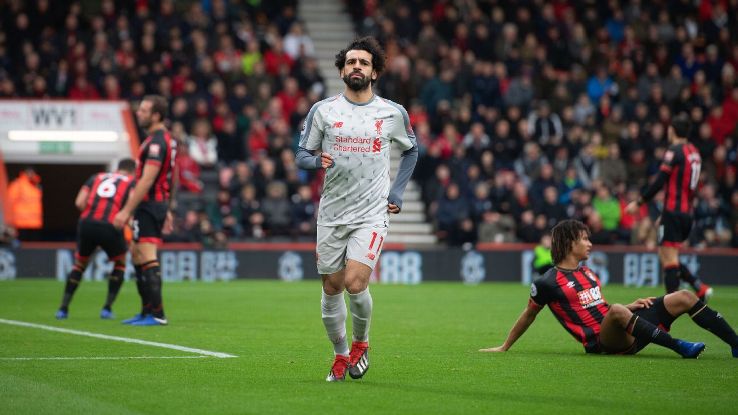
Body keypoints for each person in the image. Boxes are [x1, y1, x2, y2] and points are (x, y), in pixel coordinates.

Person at [295, 37, 418, 381]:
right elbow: (301, 155)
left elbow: (412, 150)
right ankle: (339, 353)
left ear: (374, 72)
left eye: (363, 63)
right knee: (331, 287)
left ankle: (361, 342)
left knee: (354, 282)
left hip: (371, 212)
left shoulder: (392, 113)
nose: (357, 67)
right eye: (351, 62)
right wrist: (316, 159)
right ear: (341, 70)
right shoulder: (323, 110)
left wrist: (398, 191)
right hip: (332, 213)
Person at [479, 219, 738, 358]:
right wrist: (504, 346)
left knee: (683, 296)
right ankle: (680, 346)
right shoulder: (547, 282)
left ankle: (735, 344)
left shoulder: (587, 272)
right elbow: (529, 315)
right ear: (570, 243)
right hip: (601, 343)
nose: (590, 244)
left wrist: (629, 307)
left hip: (619, 326)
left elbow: (599, 309)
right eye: (585, 239)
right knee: (615, 310)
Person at [626, 114, 712, 300]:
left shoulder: (675, 150)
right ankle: (699, 286)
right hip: (686, 212)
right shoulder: (694, 152)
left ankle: (671, 304)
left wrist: (639, 202)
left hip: (674, 211)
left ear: (672, 130)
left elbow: (660, 181)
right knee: (666, 255)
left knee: (668, 257)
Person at [113, 95, 177, 326]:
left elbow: (147, 180)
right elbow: (173, 175)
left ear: (156, 115)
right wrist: (168, 206)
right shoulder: (164, 140)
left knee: (147, 255)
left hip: (148, 205)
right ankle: (146, 311)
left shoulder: (157, 143)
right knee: (137, 254)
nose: (139, 113)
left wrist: (126, 211)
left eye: (144, 110)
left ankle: (158, 315)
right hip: (154, 204)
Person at [56, 159, 136, 320]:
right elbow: (131, 206)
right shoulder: (131, 182)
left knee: (80, 264)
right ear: (132, 171)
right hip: (111, 225)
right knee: (120, 263)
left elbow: (79, 202)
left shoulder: (96, 177)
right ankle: (107, 308)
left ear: (117, 168)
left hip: (87, 224)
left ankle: (63, 309)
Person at [7, 167, 43, 240]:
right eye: (28, 172)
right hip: (21, 223)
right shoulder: (17, 184)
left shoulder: (36, 185)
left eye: (32, 172)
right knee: (21, 245)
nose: (31, 174)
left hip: (34, 223)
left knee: (33, 245)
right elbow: (9, 202)